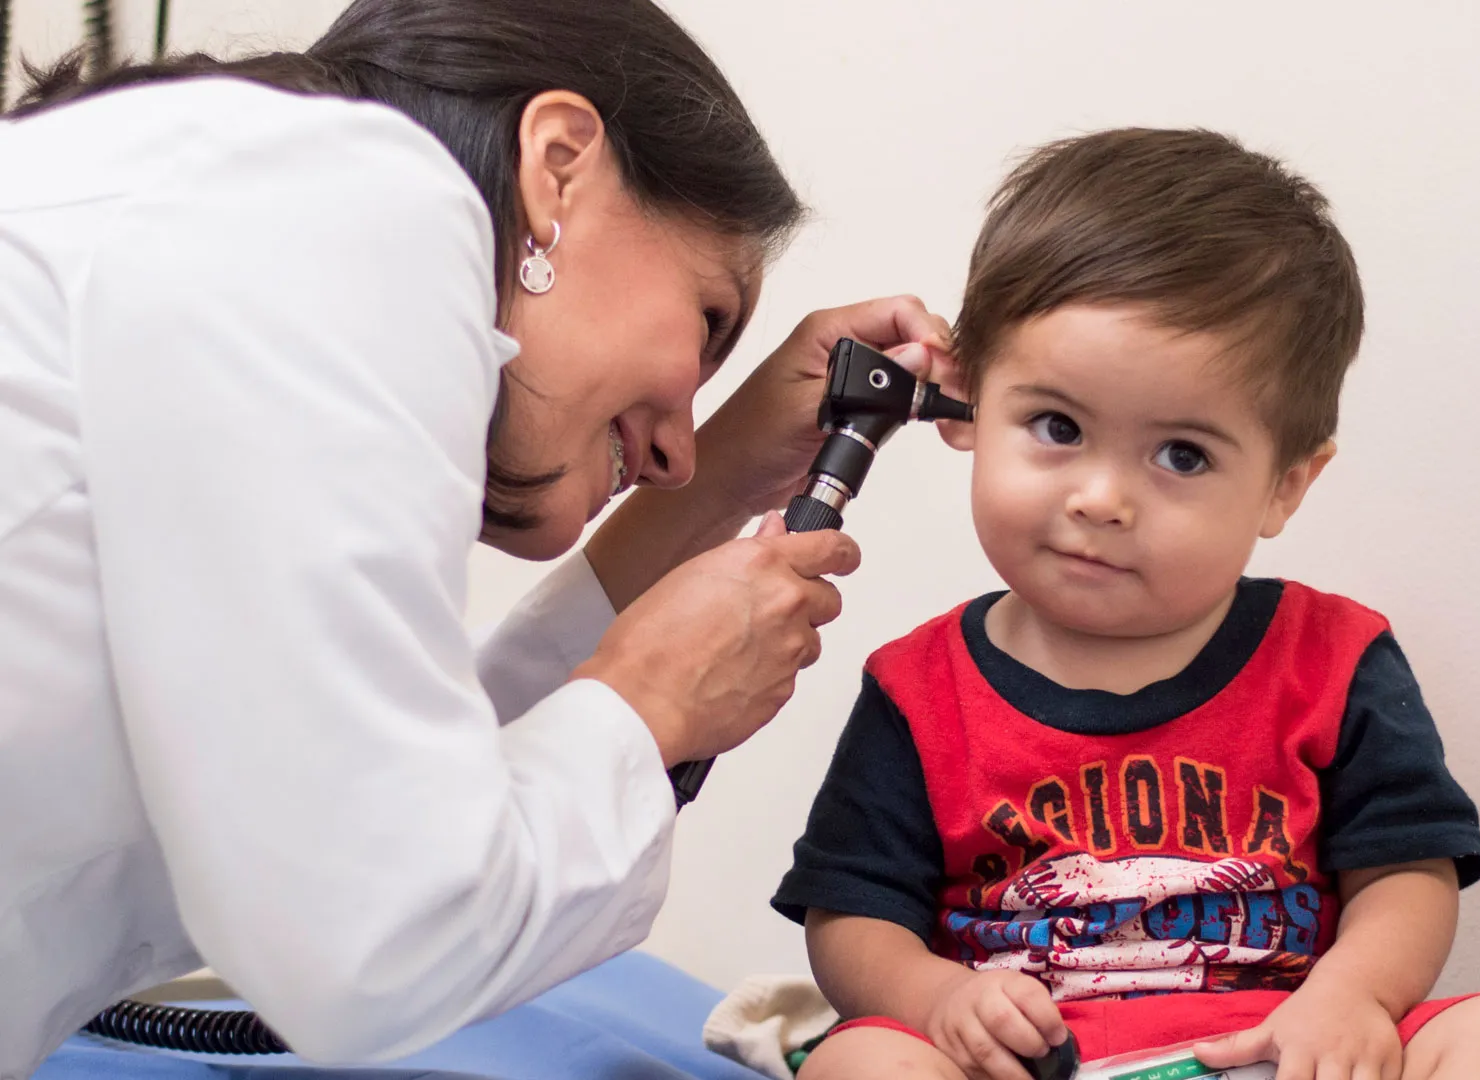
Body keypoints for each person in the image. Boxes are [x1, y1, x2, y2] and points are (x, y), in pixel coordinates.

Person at [0, 0, 954, 1073]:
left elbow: (365, 792)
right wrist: (653, 704)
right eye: (707, 321)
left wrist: (726, 477)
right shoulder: (361, 204)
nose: (678, 450)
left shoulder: (225, 206)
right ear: (558, 165)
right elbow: (380, 941)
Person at [773, 129, 1480, 1080]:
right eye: (1057, 427)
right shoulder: (919, 688)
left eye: (1182, 456)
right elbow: (853, 918)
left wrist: (1350, 996)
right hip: (1033, 1068)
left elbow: (1407, 871)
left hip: (1272, 1051)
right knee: (858, 1061)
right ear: (965, 405)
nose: (1102, 498)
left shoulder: (1334, 657)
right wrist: (939, 999)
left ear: (1285, 484)